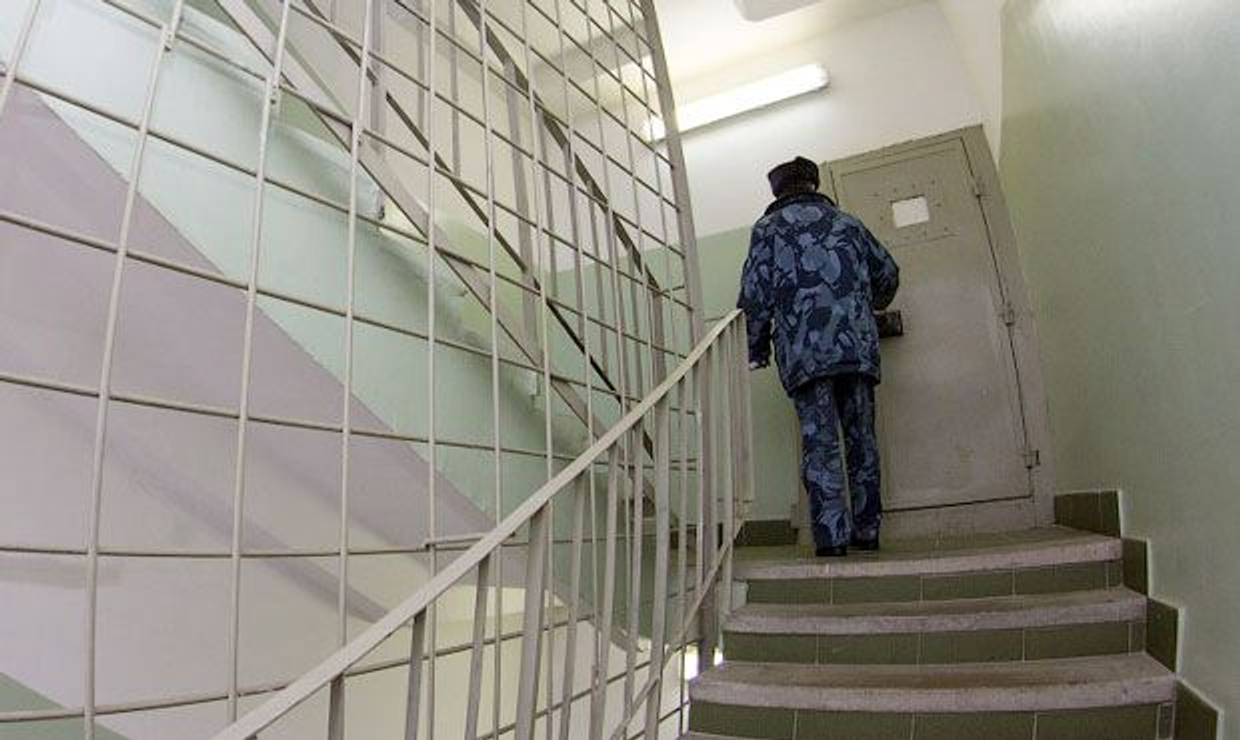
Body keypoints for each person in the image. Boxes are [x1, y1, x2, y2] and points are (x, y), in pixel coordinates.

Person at [737, 156, 900, 557]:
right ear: (814, 184)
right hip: (857, 348)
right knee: (862, 440)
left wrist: (755, 350)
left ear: (777, 191)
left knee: (820, 444)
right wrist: (864, 307)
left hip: (806, 354)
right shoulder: (849, 224)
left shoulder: (768, 230)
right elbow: (888, 274)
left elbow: (755, 296)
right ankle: (868, 532)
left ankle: (832, 540)